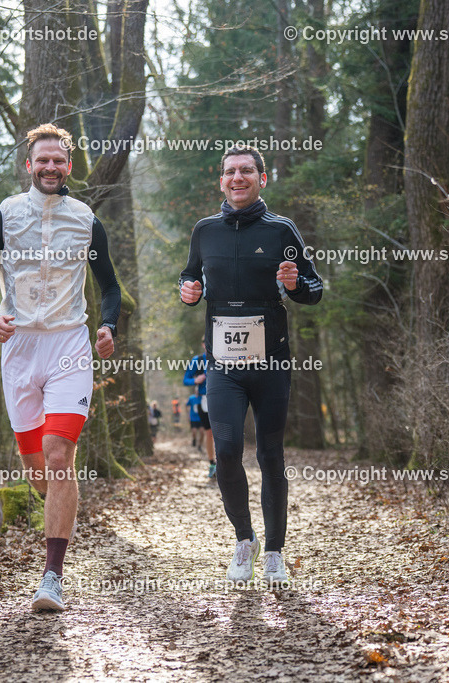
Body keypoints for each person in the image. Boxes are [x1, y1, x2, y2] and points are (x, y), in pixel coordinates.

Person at [0, 123, 120, 611]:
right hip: (20, 351)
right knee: (39, 469)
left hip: (70, 345)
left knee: (58, 455)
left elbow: (110, 287)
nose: (51, 167)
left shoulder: (86, 219)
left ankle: (52, 576)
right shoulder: (5, 216)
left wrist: (108, 325)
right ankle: (60, 512)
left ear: (68, 166)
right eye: (42, 160)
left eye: (59, 160)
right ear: (29, 166)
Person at [179, 146, 322, 586]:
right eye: (229, 172)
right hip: (223, 365)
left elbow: (314, 289)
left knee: (270, 454)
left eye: (246, 171)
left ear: (263, 177)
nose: (237, 177)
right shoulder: (205, 230)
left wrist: (296, 285)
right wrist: (188, 290)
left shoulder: (281, 229)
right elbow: (190, 277)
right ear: (220, 180)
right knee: (224, 451)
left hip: (271, 362)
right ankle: (245, 539)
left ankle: (275, 550)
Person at [184, 340, 215, 477]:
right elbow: (186, 379)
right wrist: (196, 380)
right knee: (209, 433)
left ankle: (226, 462)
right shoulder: (198, 360)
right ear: (203, 344)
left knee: (222, 432)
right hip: (204, 400)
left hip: (223, 398)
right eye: (206, 342)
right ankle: (212, 464)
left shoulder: (224, 357)